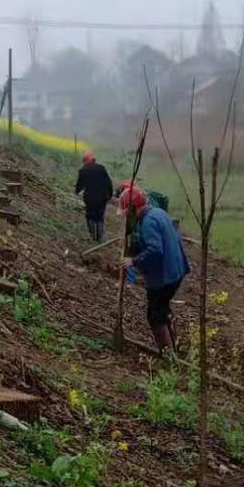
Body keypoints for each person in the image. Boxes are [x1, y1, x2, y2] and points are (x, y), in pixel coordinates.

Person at [119, 185, 190, 353]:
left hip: (165, 276)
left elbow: (155, 250)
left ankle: (168, 355)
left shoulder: (148, 222)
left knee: (154, 315)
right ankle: (174, 346)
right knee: (162, 309)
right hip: (175, 271)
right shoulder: (159, 213)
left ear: (133, 208)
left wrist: (133, 261)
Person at [74, 151, 114, 241]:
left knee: (90, 216)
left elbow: (79, 185)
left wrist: (76, 191)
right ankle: (99, 236)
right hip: (102, 197)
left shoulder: (83, 171)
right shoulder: (101, 168)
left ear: (86, 161)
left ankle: (92, 236)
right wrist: (109, 195)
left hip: (89, 197)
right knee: (100, 216)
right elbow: (108, 182)